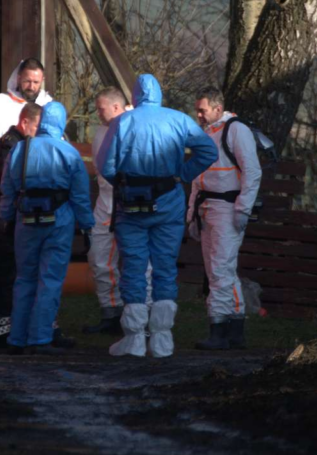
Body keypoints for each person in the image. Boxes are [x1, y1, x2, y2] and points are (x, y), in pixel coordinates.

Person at [96, 74, 218, 358]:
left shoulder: (123, 122)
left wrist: (124, 185)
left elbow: (105, 165)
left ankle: (135, 339)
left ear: (135, 95)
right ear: (159, 94)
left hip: (132, 206)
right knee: (165, 266)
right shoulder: (179, 120)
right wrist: (183, 174)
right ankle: (163, 339)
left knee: (134, 267)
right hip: (168, 203)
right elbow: (208, 151)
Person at [0, 101, 94, 355]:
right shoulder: (69, 152)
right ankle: (40, 338)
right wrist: (87, 226)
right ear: (61, 123)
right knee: (49, 280)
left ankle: (17, 338)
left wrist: (6, 217)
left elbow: (8, 189)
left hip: (25, 221)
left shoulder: (20, 149)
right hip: (58, 221)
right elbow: (80, 196)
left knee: (24, 278)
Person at [187, 86, 262, 350]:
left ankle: (218, 330)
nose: (198, 115)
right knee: (220, 270)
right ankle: (235, 330)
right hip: (208, 207)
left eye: (202, 110)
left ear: (218, 108)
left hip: (226, 208)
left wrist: (242, 209)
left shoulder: (236, 130)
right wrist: (191, 214)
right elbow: (197, 177)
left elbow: (252, 171)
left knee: (219, 270)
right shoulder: (207, 133)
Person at [82, 87, 152, 335]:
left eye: (100, 109)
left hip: (130, 204)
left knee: (139, 262)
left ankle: (144, 314)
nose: (97, 114)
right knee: (99, 258)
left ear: (115, 107)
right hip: (105, 203)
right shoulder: (101, 132)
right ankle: (111, 312)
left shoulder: (136, 127)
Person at [0, 103, 42, 347]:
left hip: (9, 218)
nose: (39, 132)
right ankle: (2, 328)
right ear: (25, 122)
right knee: (7, 274)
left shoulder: (17, 143)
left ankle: (12, 326)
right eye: (37, 126)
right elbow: (9, 183)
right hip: (5, 220)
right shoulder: (10, 146)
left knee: (14, 273)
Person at [0, 58, 53, 140]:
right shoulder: (2, 102)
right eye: (27, 81)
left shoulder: (49, 107)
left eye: (36, 82)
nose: (31, 87)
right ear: (19, 78)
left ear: (42, 80)